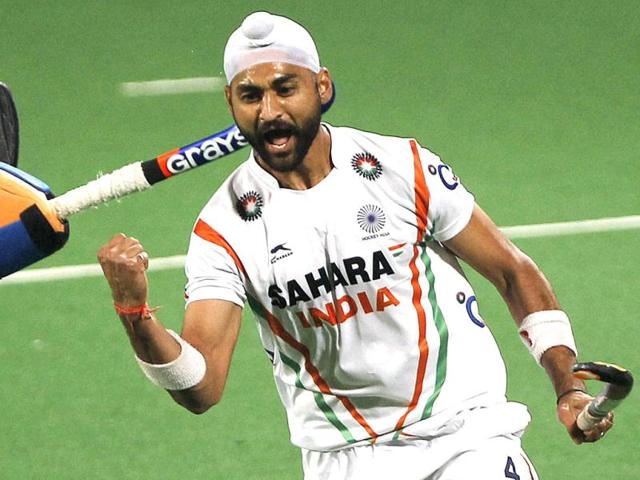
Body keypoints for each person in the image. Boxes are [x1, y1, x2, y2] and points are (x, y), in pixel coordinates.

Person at [97, 11, 613, 479]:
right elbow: (201, 387)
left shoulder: (401, 167)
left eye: (285, 88)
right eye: (251, 95)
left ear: (322, 86)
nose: (270, 110)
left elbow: (512, 272)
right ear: (230, 102)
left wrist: (567, 383)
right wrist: (134, 311)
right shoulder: (224, 227)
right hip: (344, 460)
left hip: (464, 435)